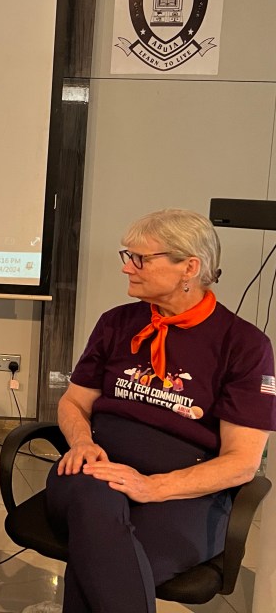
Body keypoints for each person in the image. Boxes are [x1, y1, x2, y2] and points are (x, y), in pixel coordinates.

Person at [45, 209, 275, 613]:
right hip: (93, 468)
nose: (126, 267)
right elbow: (74, 402)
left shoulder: (244, 345)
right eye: (127, 255)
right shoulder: (116, 323)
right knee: (98, 513)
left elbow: (242, 462)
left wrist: (151, 487)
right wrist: (81, 443)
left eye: (140, 258)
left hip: (186, 493)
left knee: (102, 567)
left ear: (190, 267)